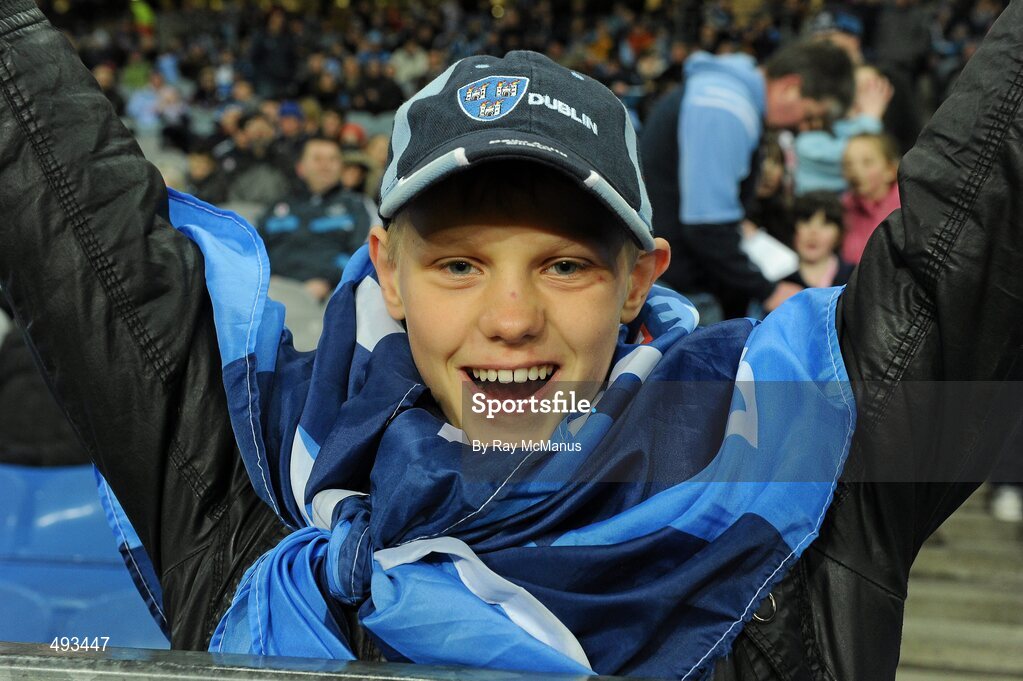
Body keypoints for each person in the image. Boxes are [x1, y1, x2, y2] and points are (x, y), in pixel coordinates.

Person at [1, 4, 1022, 681]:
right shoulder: (245, 463)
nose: (510, 317)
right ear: (385, 273)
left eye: (565, 264)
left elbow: (972, 230)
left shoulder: (804, 449)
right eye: (457, 264)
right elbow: (43, 169)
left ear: (640, 279)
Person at [639, 41, 854, 321]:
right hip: (680, 293)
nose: (803, 127)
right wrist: (768, 291)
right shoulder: (725, 108)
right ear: (790, 86)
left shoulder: (724, 95)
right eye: (810, 115)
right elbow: (707, 227)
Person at [841, 132, 901, 265]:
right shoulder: (843, 208)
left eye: (867, 162)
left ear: (890, 170)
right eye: (848, 164)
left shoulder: (905, 207)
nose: (855, 171)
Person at [782, 191, 854, 289]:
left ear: (839, 234)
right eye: (806, 221)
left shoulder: (852, 277)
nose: (814, 232)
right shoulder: (776, 275)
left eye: (825, 224)